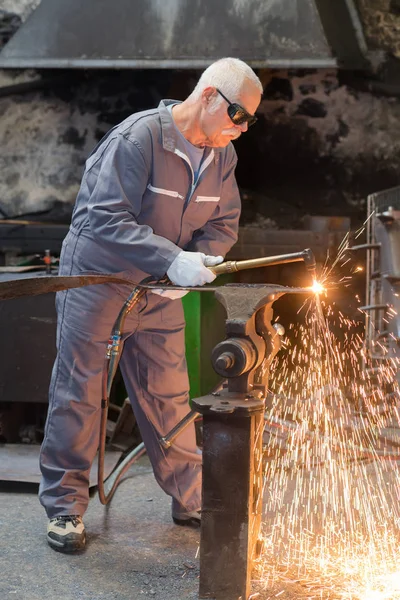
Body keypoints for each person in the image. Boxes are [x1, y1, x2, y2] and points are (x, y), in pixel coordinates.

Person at [39, 57, 263, 552]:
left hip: (160, 287)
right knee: (81, 389)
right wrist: (171, 257)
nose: (239, 130)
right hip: (100, 279)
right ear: (207, 95)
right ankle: (65, 508)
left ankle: (191, 496)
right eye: (235, 116)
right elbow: (103, 218)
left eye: (248, 121)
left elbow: (222, 223)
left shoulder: (221, 155)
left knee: (169, 393)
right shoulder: (138, 138)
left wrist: (199, 261)